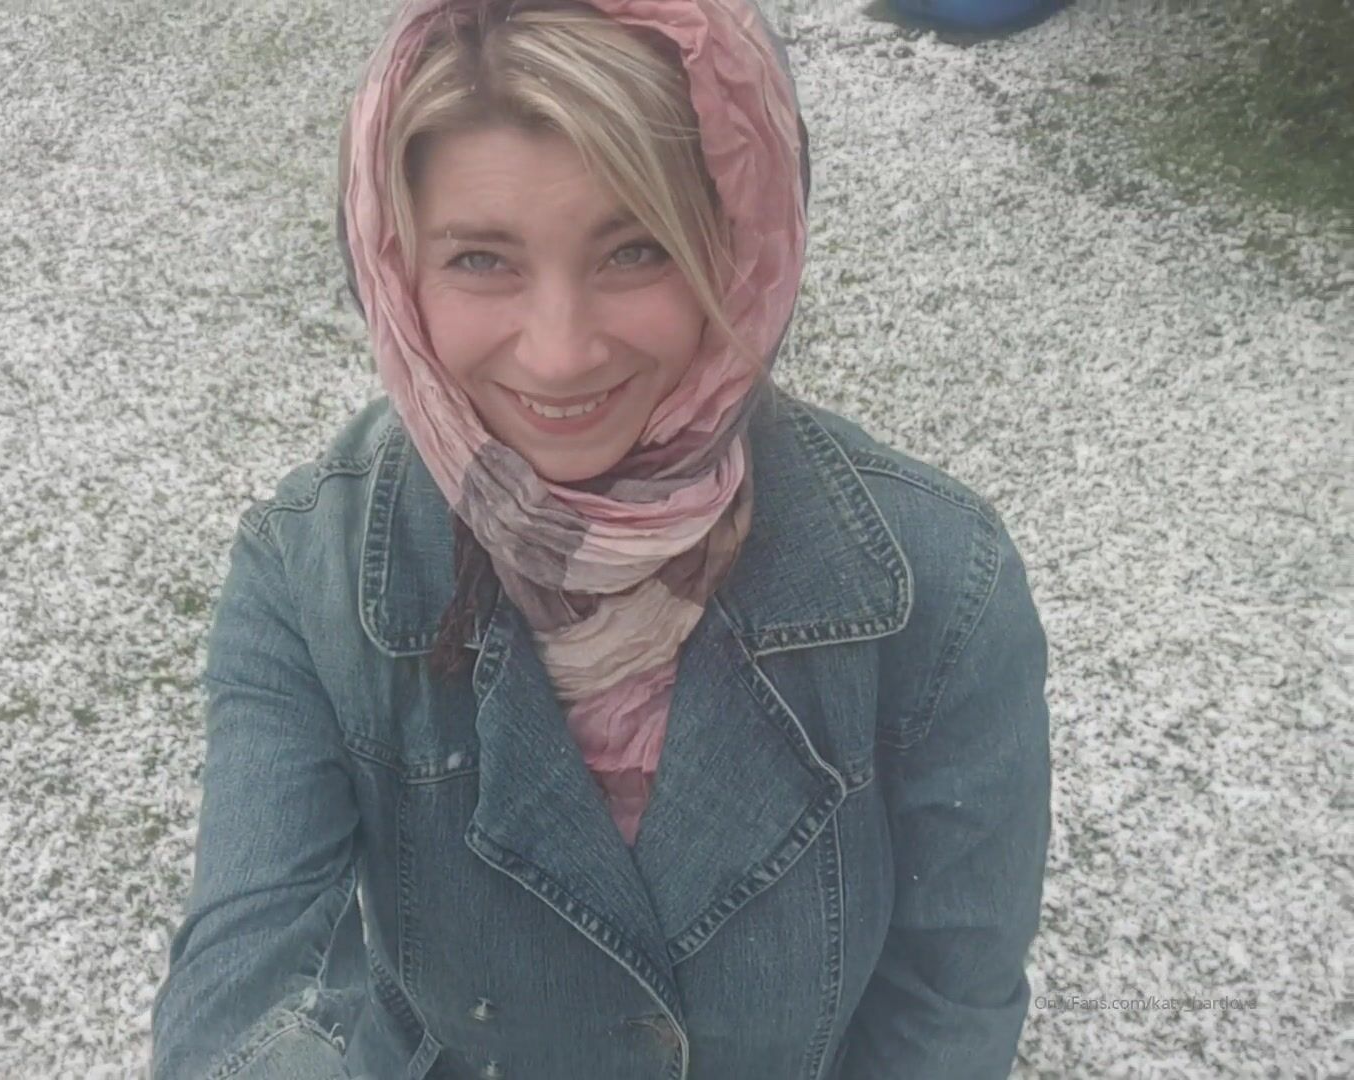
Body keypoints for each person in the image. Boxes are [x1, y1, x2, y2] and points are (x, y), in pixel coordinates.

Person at [148, 1, 1052, 1076]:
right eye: (482, 260)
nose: (561, 353)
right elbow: (239, 989)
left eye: (635, 250)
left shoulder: (939, 583)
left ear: (734, 246)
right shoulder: (311, 573)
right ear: (394, 268)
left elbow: (948, 1005)